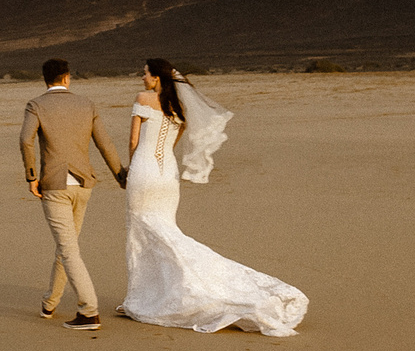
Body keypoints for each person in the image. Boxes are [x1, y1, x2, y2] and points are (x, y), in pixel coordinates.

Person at [116, 57, 307, 336]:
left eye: (145, 73)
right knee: (166, 230)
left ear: (156, 77)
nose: (142, 78)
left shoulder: (143, 98)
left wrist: (129, 170)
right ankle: (149, 297)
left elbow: (134, 141)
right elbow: (172, 142)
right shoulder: (179, 106)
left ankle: (142, 299)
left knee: (142, 233)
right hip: (167, 174)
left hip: (144, 171)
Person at [17, 58, 127, 331]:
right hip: (84, 185)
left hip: (55, 186)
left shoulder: (36, 105)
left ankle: (89, 312)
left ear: (46, 79)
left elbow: (25, 140)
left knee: (68, 250)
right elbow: (104, 143)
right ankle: (50, 303)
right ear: (67, 77)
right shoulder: (86, 104)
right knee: (66, 246)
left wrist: (31, 176)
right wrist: (120, 175)